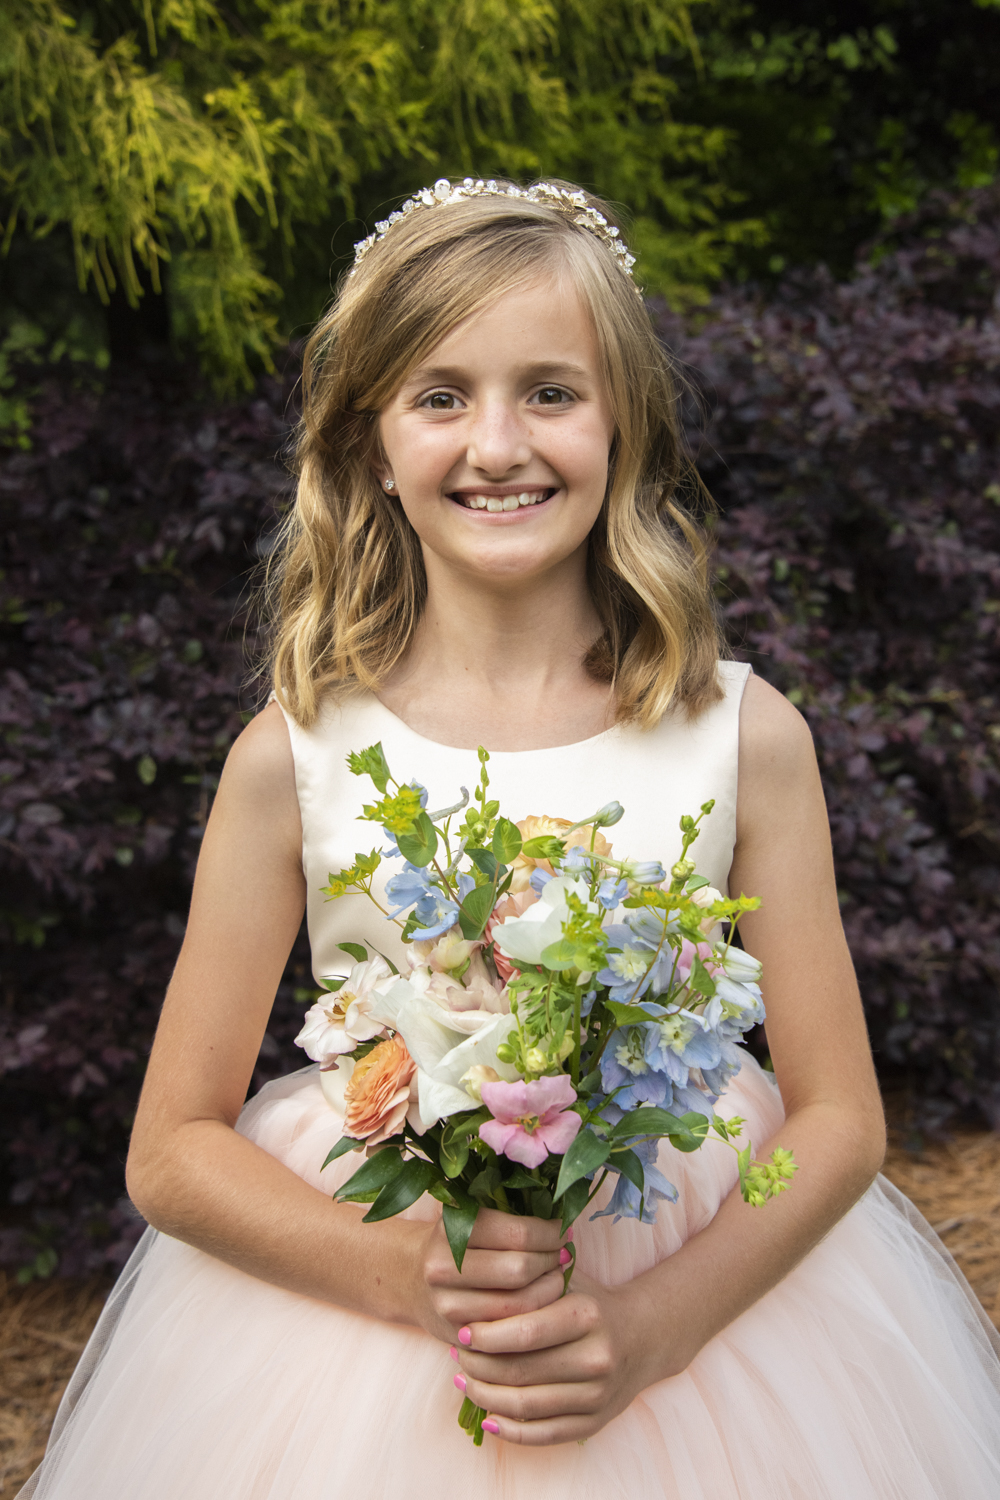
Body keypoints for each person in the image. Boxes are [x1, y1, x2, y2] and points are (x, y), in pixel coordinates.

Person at [20, 178, 1000, 1500]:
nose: (498, 444)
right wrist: (410, 1278)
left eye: (551, 391)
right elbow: (172, 1152)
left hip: (704, 1337)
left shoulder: (743, 739)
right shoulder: (291, 759)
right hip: (367, 1357)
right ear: (371, 441)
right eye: (440, 396)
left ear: (624, 426)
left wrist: (659, 1328)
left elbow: (834, 1125)